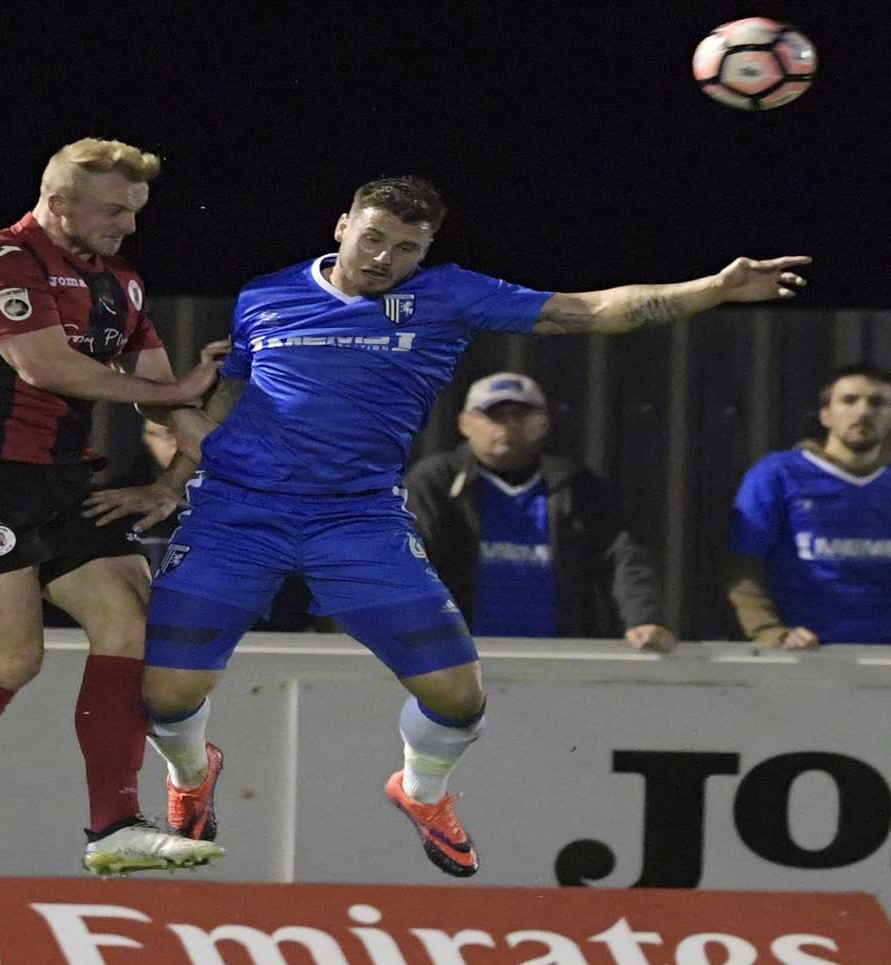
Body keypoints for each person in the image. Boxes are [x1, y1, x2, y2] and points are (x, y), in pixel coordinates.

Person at [134, 175, 807, 877]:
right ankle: (190, 776)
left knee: (458, 697)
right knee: (166, 696)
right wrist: (167, 485)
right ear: (342, 227)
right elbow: (233, 401)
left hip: (356, 520)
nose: (384, 257)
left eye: (407, 247)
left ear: (425, 251)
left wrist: (713, 289)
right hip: (239, 513)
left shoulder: (447, 296)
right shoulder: (266, 295)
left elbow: (593, 309)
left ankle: (420, 792)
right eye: (373, 238)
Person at [0, 137, 224, 925]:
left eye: (136, 211)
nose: (128, 226)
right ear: (60, 202)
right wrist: (176, 390)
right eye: (114, 209)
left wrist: (179, 472)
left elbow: (164, 399)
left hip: (63, 476)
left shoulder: (123, 285)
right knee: (11, 656)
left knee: (129, 621)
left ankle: (114, 827)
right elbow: (46, 368)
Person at [402, 372, 674, 649]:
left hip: (558, 659)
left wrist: (644, 617)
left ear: (542, 424)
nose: (507, 426)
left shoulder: (576, 487)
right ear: (465, 423)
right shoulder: (435, 483)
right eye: (494, 416)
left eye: (519, 416)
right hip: (459, 656)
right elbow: (407, 555)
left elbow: (621, 555)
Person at [726, 364, 891, 649]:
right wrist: (768, 631)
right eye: (849, 401)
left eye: (878, 403)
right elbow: (744, 563)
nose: (863, 412)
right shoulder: (779, 473)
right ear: (825, 414)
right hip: (803, 651)